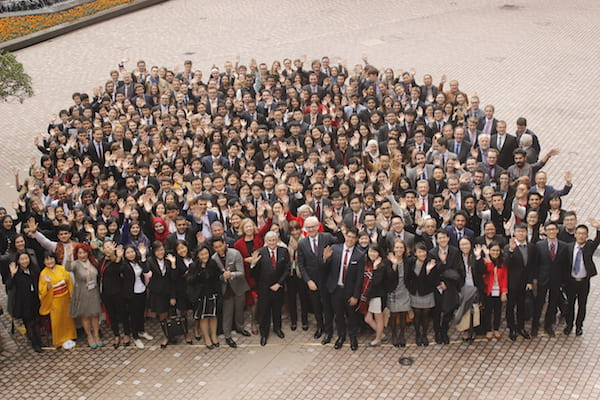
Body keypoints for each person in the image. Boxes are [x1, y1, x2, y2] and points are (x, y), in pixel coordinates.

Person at [297, 216, 343, 345]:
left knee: (327, 306)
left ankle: (329, 332)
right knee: (316, 306)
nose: (311, 229)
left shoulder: (326, 237)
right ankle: (320, 327)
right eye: (308, 227)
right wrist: (308, 280)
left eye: (313, 226)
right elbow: (301, 264)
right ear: (305, 228)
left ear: (318, 226)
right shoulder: (302, 243)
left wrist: (336, 229)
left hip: (327, 279)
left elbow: (341, 240)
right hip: (312, 280)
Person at [323, 226, 365, 351]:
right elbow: (326, 269)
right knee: (339, 315)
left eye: (353, 238)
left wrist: (356, 296)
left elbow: (359, 278)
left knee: (352, 316)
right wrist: (325, 259)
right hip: (336, 289)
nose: (350, 239)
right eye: (349, 236)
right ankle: (341, 336)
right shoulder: (335, 249)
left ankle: (353, 337)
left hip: (350, 291)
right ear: (345, 236)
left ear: (356, 239)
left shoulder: (360, 255)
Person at [233, 213, 272, 335]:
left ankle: (262, 319)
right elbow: (237, 259)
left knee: (262, 297)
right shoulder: (238, 244)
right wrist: (247, 260)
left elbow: (268, 225)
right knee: (253, 299)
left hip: (261, 272)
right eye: (246, 227)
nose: (249, 229)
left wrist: (267, 213)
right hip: (248, 274)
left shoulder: (258, 237)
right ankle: (253, 321)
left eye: (251, 226)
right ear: (243, 229)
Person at [248, 231, 290, 346]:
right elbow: (254, 274)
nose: (272, 242)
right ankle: (264, 333)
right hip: (264, 288)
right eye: (269, 240)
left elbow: (287, 269)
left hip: (278, 287)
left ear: (277, 240)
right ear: (266, 242)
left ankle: (277, 329)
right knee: (264, 311)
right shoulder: (260, 252)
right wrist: (253, 264)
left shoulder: (283, 251)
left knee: (277, 309)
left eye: (274, 240)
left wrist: (279, 283)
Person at [211, 236, 250, 349]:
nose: (219, 249)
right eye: (216, 247)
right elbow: (215, 277)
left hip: (238, 286)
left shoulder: (235, 253)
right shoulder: (213, 259)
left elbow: (241, 272)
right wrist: (223, 277)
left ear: (224, 244)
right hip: (225, 289)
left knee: (239, 309)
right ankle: (227, 335)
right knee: (227, 313)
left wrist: (231, 274)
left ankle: (240, 327)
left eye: (220, 246)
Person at [563, 218, 600, 336]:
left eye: (584, 234)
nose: (581, 236)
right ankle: (569, 325)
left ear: (587, 235)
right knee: (570, 304)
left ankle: (579, 326)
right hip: (571, 281)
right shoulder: (569, 247)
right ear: (575, 234)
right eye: (579, 233)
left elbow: (597, 240)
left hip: (584, 281)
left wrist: (598, 228)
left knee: (582, 305)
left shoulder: (589, 246)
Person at [532, 222, 569, 337]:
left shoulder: (564, 246)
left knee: (552, 304)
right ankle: (535, 325)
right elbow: (536, 263)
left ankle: (548, 325)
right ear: (545, 232)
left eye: (554, 229)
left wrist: (563, 281)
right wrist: (535, 278)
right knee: (539, 303)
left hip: (556, 280)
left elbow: (565, 265)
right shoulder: (539, 245)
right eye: (549, 230)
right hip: (542, 278)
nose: (552, 232)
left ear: (557, 231)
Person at [65, 243, 103, 348]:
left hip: (93, 291)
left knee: (95, 314)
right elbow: (67, 268)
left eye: (84, 252)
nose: (82, 255)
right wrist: (68, 256)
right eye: (80, 253)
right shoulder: (76, 264)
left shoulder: (92, 261)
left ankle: (96, 335)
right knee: (85, 316)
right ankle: (89, 336)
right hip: (82, 292)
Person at [38, 252, 77, 349]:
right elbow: (42, 290)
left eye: (51, 259)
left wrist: (71, 295)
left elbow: (69, 283)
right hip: (54, 300)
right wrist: (47, 285)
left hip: (65, 298)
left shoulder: (62, 268)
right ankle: (59, 340)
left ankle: (70, 336)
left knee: (68, 319)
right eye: (47, 259)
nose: (50, 261)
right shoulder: (43, 273)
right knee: (57, 321)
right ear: (43, 262)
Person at [186, 245, 222, 349]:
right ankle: (206, 338)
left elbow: (217, 279)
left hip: (212, 293)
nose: (205, 256)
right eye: (202, 254)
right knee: (204, 318)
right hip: (200, 296)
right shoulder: (194, 266)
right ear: (198, 255)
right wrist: (198, 275)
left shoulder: (213, 264)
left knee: (213, 316)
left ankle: (214, 336)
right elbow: (189, 281)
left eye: (206, 253)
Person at [504, 223, 536, 341]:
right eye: (518, 231)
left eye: (523, 231)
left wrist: (530, 281)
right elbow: (506, 264)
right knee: (510, 307)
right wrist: (511, 251)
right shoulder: (508, 247)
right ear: (514, 233)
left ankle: (521, 327)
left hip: (524, 283)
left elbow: (531, 266)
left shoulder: (531, 247)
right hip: (512, 283)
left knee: (521, 306)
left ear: (526, 233)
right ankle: (512, 328)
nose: (521, 234)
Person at [7, 252, 42, 352]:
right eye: (22, 259)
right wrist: (12, 275)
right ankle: (34, 343)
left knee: (37, 321)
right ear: (18, 261)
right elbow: (9, 286)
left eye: (26, 258)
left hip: (34, 299)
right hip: (23, 302)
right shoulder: (16, 272)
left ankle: (39, 340)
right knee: (29, 323)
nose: (24, 261)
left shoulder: (34, 269)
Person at [121, 243, 153, 348]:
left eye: (132, 252)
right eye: (128, 253)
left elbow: (146, 270)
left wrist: (143, 256)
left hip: (142, 290)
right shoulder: (124, 265)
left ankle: (141, 331)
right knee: (134, 315)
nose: (130, 254)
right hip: (131, 293)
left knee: (141, 313)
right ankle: (135, 337)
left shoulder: (138, 262)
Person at [405, 242, 438, 346]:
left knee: (426, 315)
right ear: (415, 253)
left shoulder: (431, 263)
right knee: (417, 315)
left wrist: (428, 272)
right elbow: (408, 278)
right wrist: (410, 289)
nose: (422, 254)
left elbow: (433, 281)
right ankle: (418, 334)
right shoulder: (411, 262)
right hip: (415, 293)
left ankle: (424, 334)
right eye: (419, 252)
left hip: (427, 292)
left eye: (423, 251)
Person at [476, 242, 508, 340]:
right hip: (488, 291)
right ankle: (488, 329)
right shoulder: (485, 261)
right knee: (488, 311)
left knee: (498, 311)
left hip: (498, 291)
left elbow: (504, 278)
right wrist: (487, 256)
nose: (495, 252)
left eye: (497, 250)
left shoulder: (502, 262)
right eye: (493, 250)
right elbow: (488, 270)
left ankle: (496, 328)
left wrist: (504, 292)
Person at [166, 240, 194, 344]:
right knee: (183, 313)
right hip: (182, 291)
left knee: (196, 311)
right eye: (179, 249)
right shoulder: (175, 261)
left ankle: (196, 329)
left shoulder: (193, 257)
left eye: (183, 247)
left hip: (194, 290)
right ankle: (186, 333)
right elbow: (173, 278)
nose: (182, 250)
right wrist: (173, 264)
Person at [146, 241, 173, 348]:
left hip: (168, 291)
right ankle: (166, 335)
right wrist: (143, 256)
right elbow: (145, 269)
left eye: (162, 249)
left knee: (170, 313)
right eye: (158, 250)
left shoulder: (169, 260)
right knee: (162, 315)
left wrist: (173, 264)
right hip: (157, 292)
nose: (160, 252)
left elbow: (172, 278)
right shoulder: (150, 261)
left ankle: (172, 333)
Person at [385, 239, 411, 347]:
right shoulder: (388, 261)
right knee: (394, 314)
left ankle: (402, 335)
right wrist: (394, 266)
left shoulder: (408, 261)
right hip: (393, 290)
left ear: (404, 249)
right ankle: (394, 335)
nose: (399, 250)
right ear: (393, 249)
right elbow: (388, 278)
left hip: (404, 289)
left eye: (401, 247)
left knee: (404, 313)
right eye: (397, 247)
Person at [285, 220, 309, 332]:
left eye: (296, 229)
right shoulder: (288, 241)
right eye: (292, 230)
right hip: (291, 273)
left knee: (304, 298)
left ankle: (304, 321)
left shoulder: (305, 240)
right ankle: (293, 321)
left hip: (302, 273)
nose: (295, 232)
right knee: (291, 298)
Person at [362, 244, 386, 347]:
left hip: (378, 296)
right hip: (371, 296)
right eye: (370, 251)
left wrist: (376, 268)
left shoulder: (381, 265)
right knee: (368, 318)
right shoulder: (368, 263)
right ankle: (382, 335)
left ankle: (378, 339)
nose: (372, 254)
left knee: (378, 318)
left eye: (375, 252)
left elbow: (377, 282)